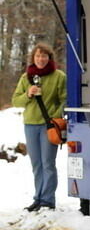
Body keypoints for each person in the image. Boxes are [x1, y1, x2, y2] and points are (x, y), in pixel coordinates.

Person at [11, 41, 66, 212]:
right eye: (37, 56)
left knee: (48, 163)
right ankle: (38, 197)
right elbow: (15, 101)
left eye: (44, 56)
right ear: (33, 58)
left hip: (49, 125)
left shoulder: (59, 76)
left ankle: (48, 200)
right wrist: (28, 94)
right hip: (30, 125)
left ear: (49, 58)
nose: (40, 59)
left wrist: (55, 116)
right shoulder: (25, 77)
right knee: (36, 164)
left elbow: (65, 99)